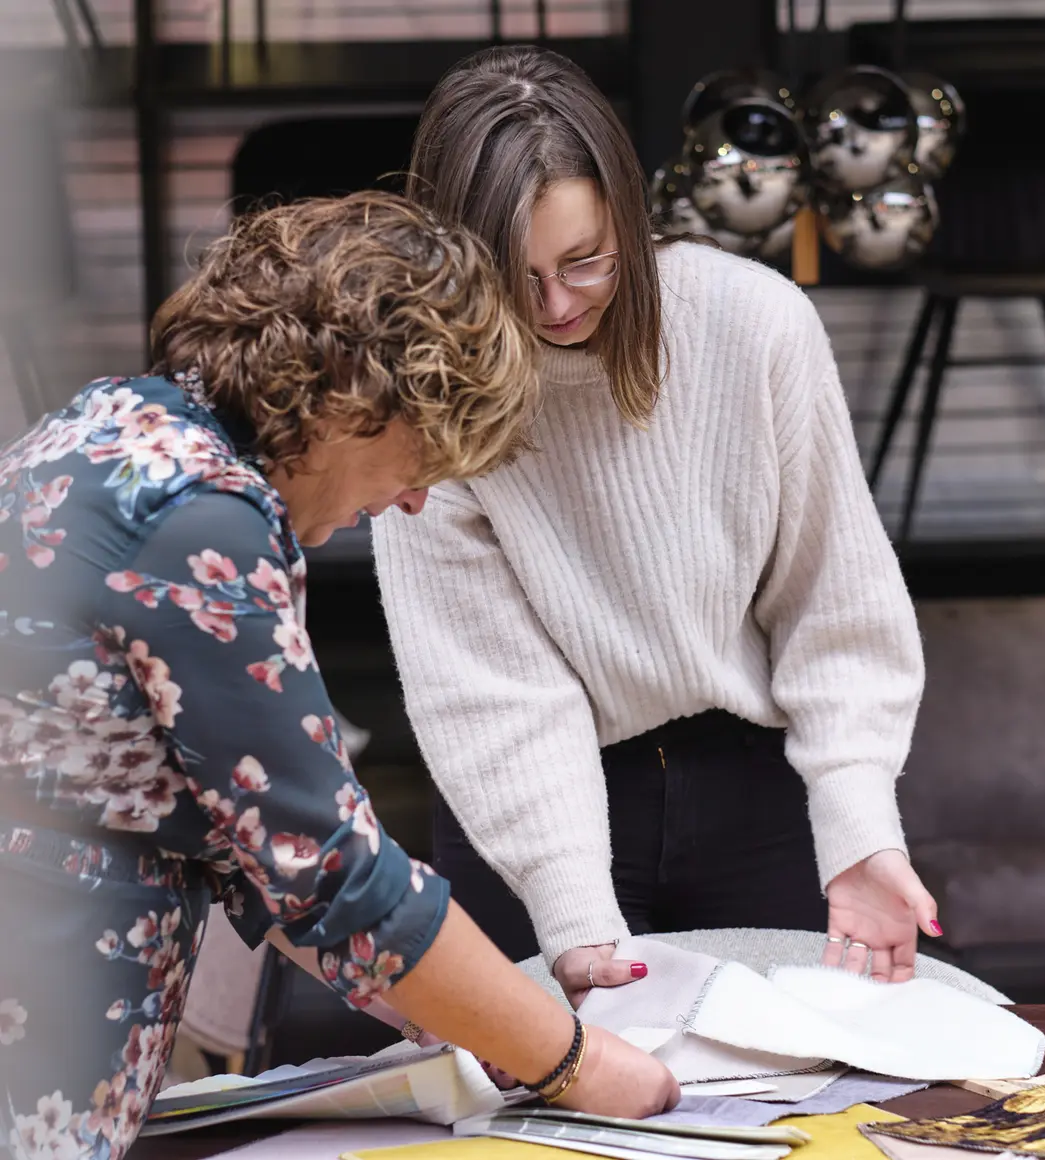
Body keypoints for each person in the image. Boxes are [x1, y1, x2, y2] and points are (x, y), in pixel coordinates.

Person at [0, 191, 678, 1160]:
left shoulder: (116, 424)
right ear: (358, 398)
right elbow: (333, 876)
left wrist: (473, 1018)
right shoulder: (203, 520)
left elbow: (268, 849)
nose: (412, 499)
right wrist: (578, 1062)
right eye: (423, 455)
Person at [374, 46, 944, 1008]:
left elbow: (832, 603)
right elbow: (494, 692)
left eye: (586, 260)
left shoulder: (754, 325)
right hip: (530, 809)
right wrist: (573, 910)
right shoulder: (430, 391)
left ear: (630, 220)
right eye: (519, 278)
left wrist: (859, 826)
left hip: (757, 788)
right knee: (544, 1137)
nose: (558, 306)